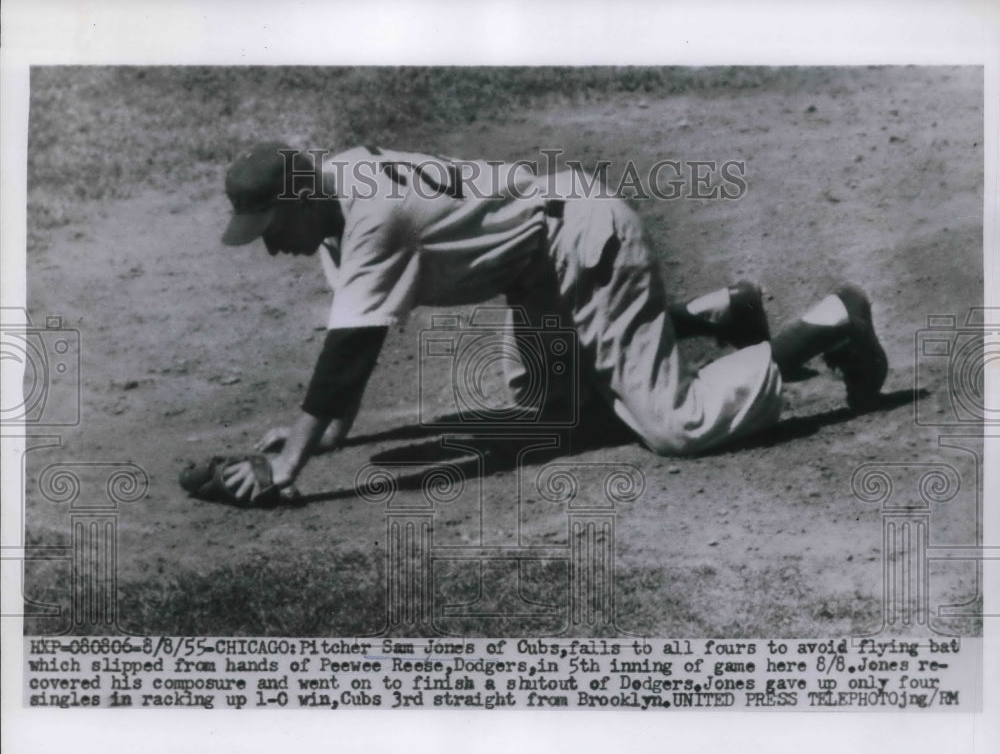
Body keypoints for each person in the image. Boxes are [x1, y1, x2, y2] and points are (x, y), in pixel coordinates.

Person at [217, 142, 887, 504]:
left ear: (300, 199)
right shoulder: (335, 195)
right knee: (550, 414)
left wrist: (287, 464)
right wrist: (327, 432)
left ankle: (831, 321)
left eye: (271, 228)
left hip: (585, 239)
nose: (270, 246)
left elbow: (349, 349)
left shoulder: (372, 218)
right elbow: (351, 353)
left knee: (675, 424)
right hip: (542, 268)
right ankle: (715, 312)